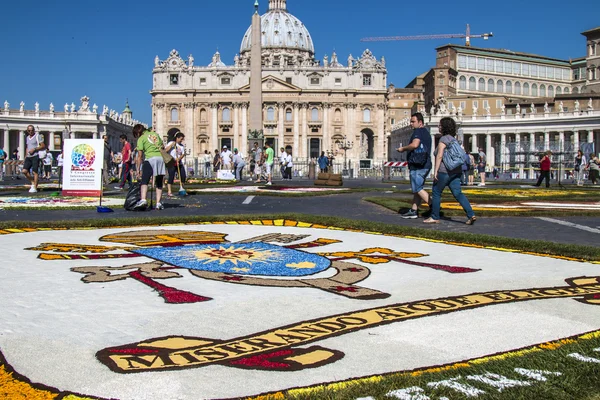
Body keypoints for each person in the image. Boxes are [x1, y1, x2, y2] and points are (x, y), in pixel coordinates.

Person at [424, 117, 477, 225]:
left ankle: (434, 216)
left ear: (444, 127)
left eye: (440, 125)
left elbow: (439, 156)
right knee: (458, 194)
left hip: (444, 171)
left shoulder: (443, 139)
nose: (438, 127)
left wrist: (436, 171)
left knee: (436, 192)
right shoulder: (454, 140)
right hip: (456, 171)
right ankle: (471, 214)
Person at [396, 112, 431, 219]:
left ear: (420, 122)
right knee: (417, 189)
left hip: (418, 165)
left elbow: (415, 145)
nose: (411, 124)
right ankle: (414, 210)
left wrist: (403, 149)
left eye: (413, 121)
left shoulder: (418, 132)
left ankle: (434, 206)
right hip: (424, 164)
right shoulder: (426, 132)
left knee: (418, 189)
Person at [132, 124, 166, 210]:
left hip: (150, 159)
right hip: (160, 159)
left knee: (145, 180)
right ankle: (158, 203)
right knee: (159, 181)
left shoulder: (141, 138)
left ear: (137, 133)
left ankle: (143, 200)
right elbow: (163, 147)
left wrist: (138, 168)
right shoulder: (155, 134)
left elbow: (139, 156)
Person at [23, 125, 45, 193]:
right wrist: (25, 155)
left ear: (34, 130)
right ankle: (32, 181)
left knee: (35, 171)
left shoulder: (37, 136)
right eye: (29, 130)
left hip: (35, 156)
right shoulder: (27, 137)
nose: (30, 131)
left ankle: (35, 187)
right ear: (27, 131)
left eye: (32, 130)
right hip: (28, 156)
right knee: (24, 171)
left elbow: (43, 146)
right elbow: (27, 147)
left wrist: (35, 149)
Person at [165, 132, 186, 196]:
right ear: (177, 138)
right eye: (181, 139)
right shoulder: (171, 143)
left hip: (179, 162)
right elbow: (165, 150)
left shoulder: (182, 146)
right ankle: (169, 191)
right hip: (171, 162)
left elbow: (183, 154)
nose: (182, 140)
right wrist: (171, 145)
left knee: (183, 175)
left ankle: (182, 189)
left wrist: (179, 159)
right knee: (171, 176)